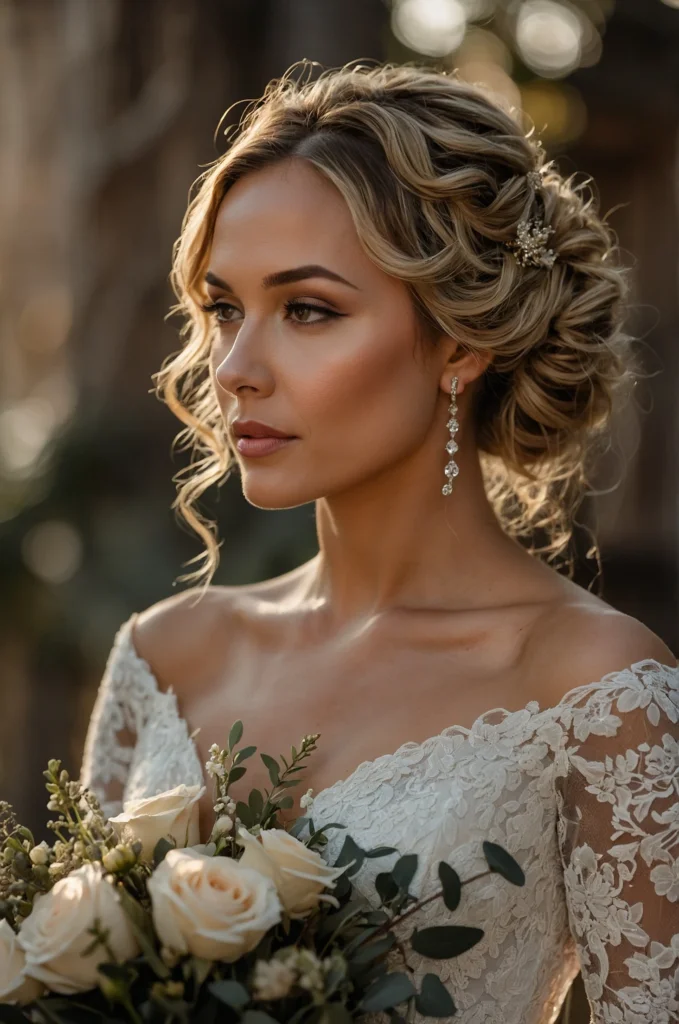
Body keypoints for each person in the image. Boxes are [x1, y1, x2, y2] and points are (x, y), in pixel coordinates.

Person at [80, 61, 679, 1023]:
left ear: (459, 341)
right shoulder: (164, 656)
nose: (233, 369)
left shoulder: (593, 690)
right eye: (224, 307)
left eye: (307, 309)